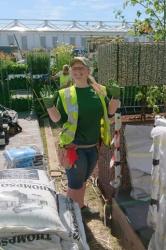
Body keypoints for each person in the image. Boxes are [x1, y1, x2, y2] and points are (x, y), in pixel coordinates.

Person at [41, 57, 120, 216]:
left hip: (93, 147)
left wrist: (115, 97)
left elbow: (110, 113)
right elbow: (57, 120)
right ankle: (73, 216)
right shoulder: (64, 94)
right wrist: (49, 105)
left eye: (81, 68)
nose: (77, 71)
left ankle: (81, 207)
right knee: (75, 184)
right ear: (70, 72)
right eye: (74, 68)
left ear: (88, 71)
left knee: (83, 180)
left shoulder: (99, 91)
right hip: (74, 148)